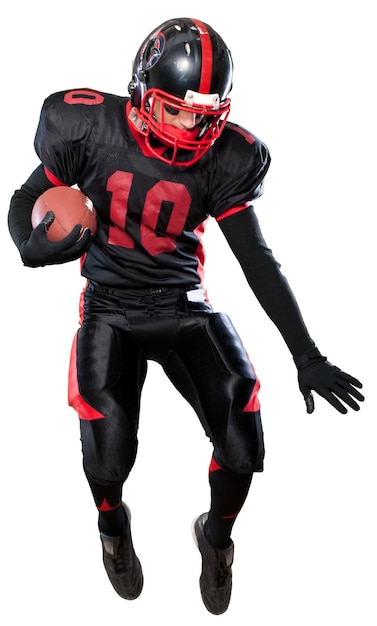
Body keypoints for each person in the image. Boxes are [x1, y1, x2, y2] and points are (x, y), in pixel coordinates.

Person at [8, 17, 364, 616]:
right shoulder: (87, 128)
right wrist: (31, 245)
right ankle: (112, 527)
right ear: (143, 90)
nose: (191, 127)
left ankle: (216, 539)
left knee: (245, 436)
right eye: (177, 110)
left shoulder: (227, 158)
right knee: (108, 448)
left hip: (182, 305)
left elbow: (256, 258)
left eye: (203, 115)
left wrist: (306, 354)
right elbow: (25, 200)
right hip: (110, 308)